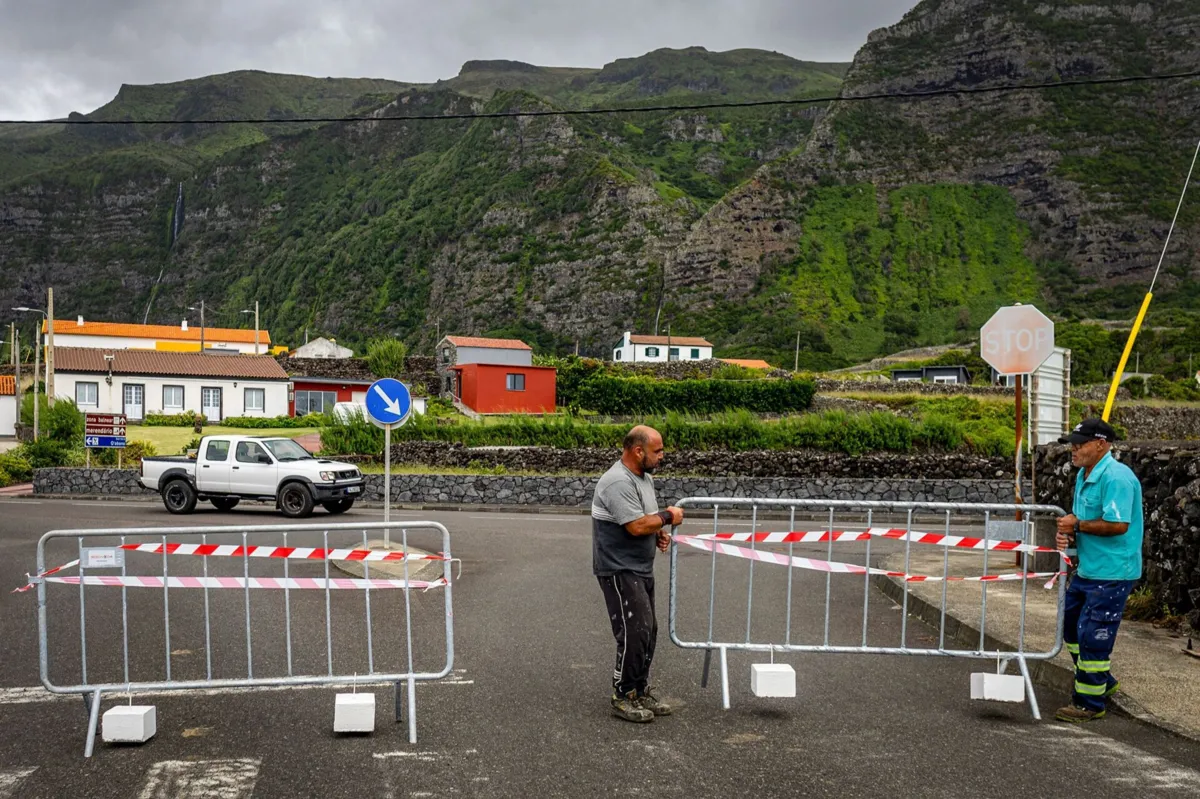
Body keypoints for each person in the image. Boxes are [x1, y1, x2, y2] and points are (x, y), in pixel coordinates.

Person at [591, 425, 684, 723]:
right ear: (638, 451)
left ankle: (639, 690)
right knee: (634, 631)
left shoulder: (644, 480)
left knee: (648, 631)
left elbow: (644, 521)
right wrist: (669, 517)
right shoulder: (616, 481)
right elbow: (635, 525)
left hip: (640, 567)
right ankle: (622, 694)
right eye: (657, 450)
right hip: (618, 568)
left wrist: (658, 535)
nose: (662, 455)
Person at [1054, 418, 1144, 723]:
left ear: (1101, 445)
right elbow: (1082, 520)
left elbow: (1118, 525)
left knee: (1094, 635)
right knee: (1070, 628)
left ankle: (1089, 703)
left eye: (1080, 444)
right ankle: (1101, 682)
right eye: (1072, 444)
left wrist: (1076, 525)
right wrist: (1070, 531)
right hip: (1089, 570)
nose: (1073, 449)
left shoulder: (1117, 478)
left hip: (1113, 572)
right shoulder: (1084, 475)